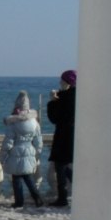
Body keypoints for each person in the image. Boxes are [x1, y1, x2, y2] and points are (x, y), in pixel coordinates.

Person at [0, 90, 43, 208]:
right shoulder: (34, 122)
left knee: (16, 178)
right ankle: (37, 198)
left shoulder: (13, 123)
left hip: (16, 152)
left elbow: (8, 142)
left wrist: (2, 156)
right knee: (28, 177)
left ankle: (19, 202)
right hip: (29, 150)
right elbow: (38, 140)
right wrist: (37, 153)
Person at [47, 69, 77, 207]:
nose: (60, 83)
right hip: (75, 135)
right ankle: (81, 190)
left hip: (64, 137)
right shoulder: (81, 96)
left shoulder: (65, 98)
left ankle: (62, 198)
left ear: (68, 82)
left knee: (60, 167)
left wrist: (53, 101)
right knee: (64, 167)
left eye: (62, 81)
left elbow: (55, 118)